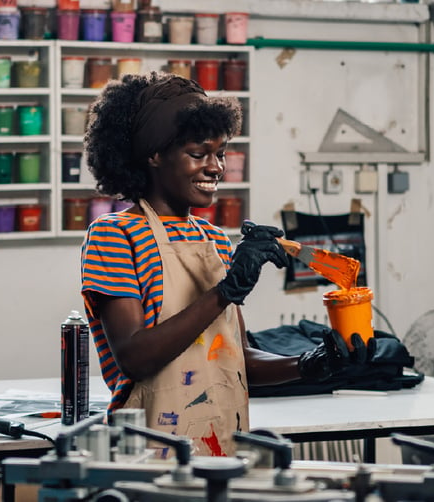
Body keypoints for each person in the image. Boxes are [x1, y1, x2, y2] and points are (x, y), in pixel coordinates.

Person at [79, 71, 366, 457]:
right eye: (199, 154)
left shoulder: (214, 240)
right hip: (148, 453)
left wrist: (310, 364)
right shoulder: (114, 235)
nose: (216, 167)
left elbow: (237, 357)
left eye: (220, 153)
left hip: (221, 451)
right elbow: (134, 357)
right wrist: (225, 291)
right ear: (155, 155)